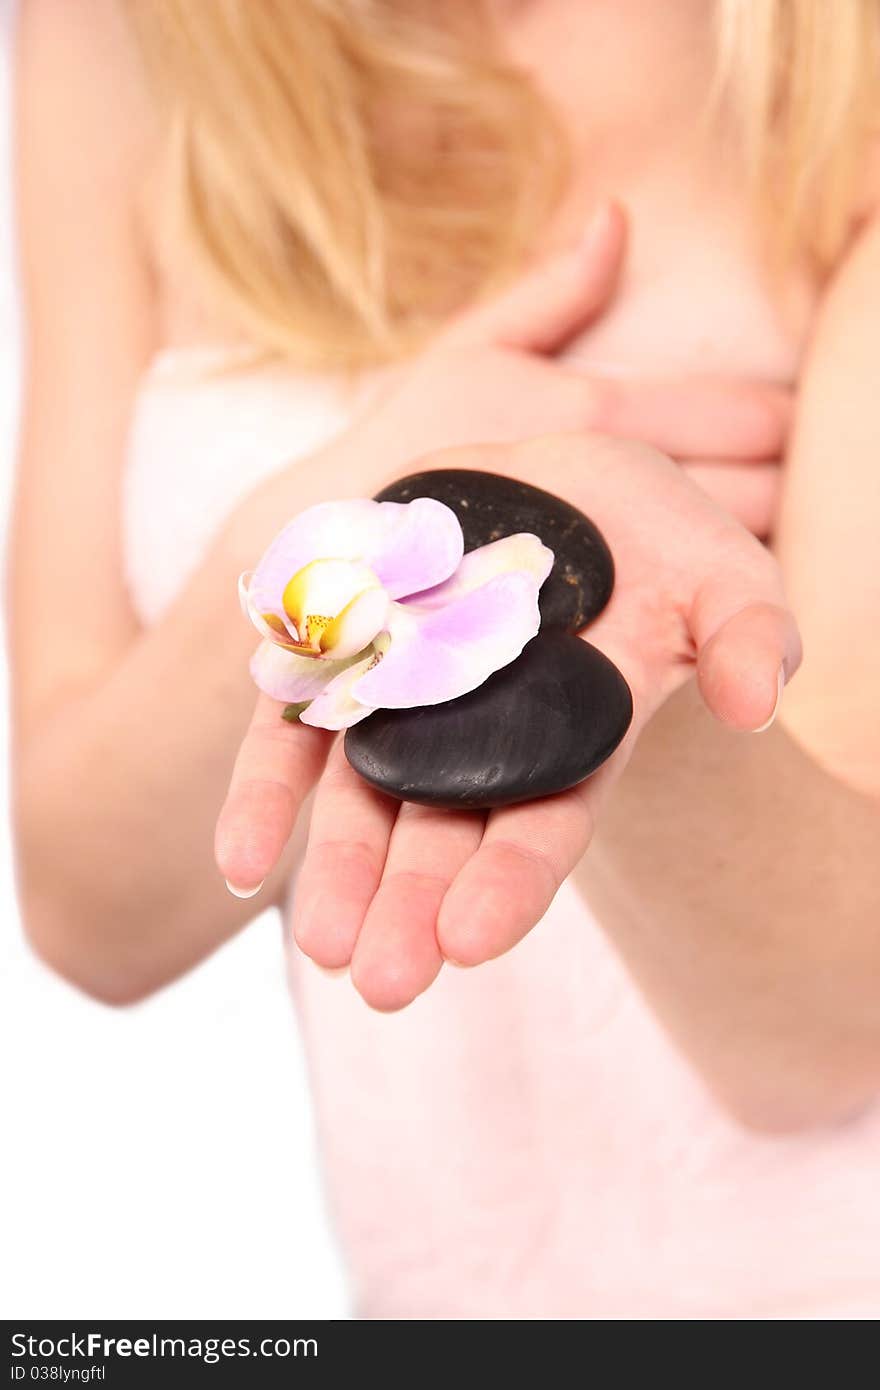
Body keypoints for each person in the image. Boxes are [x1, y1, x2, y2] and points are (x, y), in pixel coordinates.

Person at [11, 0, 880, 1318]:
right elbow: (87, 906)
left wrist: (635, 685)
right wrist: (363, 502)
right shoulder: (108, 36)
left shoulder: (832, 55)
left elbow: (825, 1032)